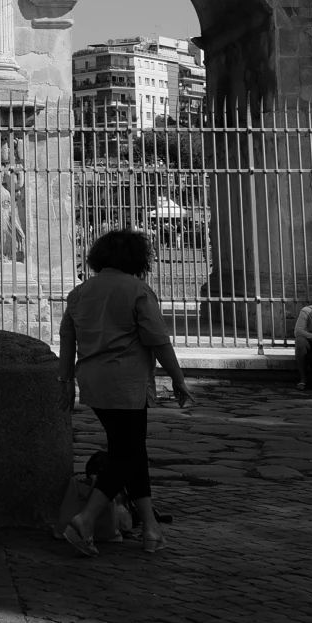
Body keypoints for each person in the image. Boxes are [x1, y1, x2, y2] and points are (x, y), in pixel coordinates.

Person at [59, 228, 191, 557]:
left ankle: (150, 529)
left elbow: (67, 343)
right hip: (127, 383)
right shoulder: (137, 289)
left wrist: (65, 384)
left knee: (131, 451)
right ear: (136, 258)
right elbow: (157, 339)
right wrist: (178, 378)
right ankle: (85, 520)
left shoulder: (79, 293)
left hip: (93, 383)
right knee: (128, 454)